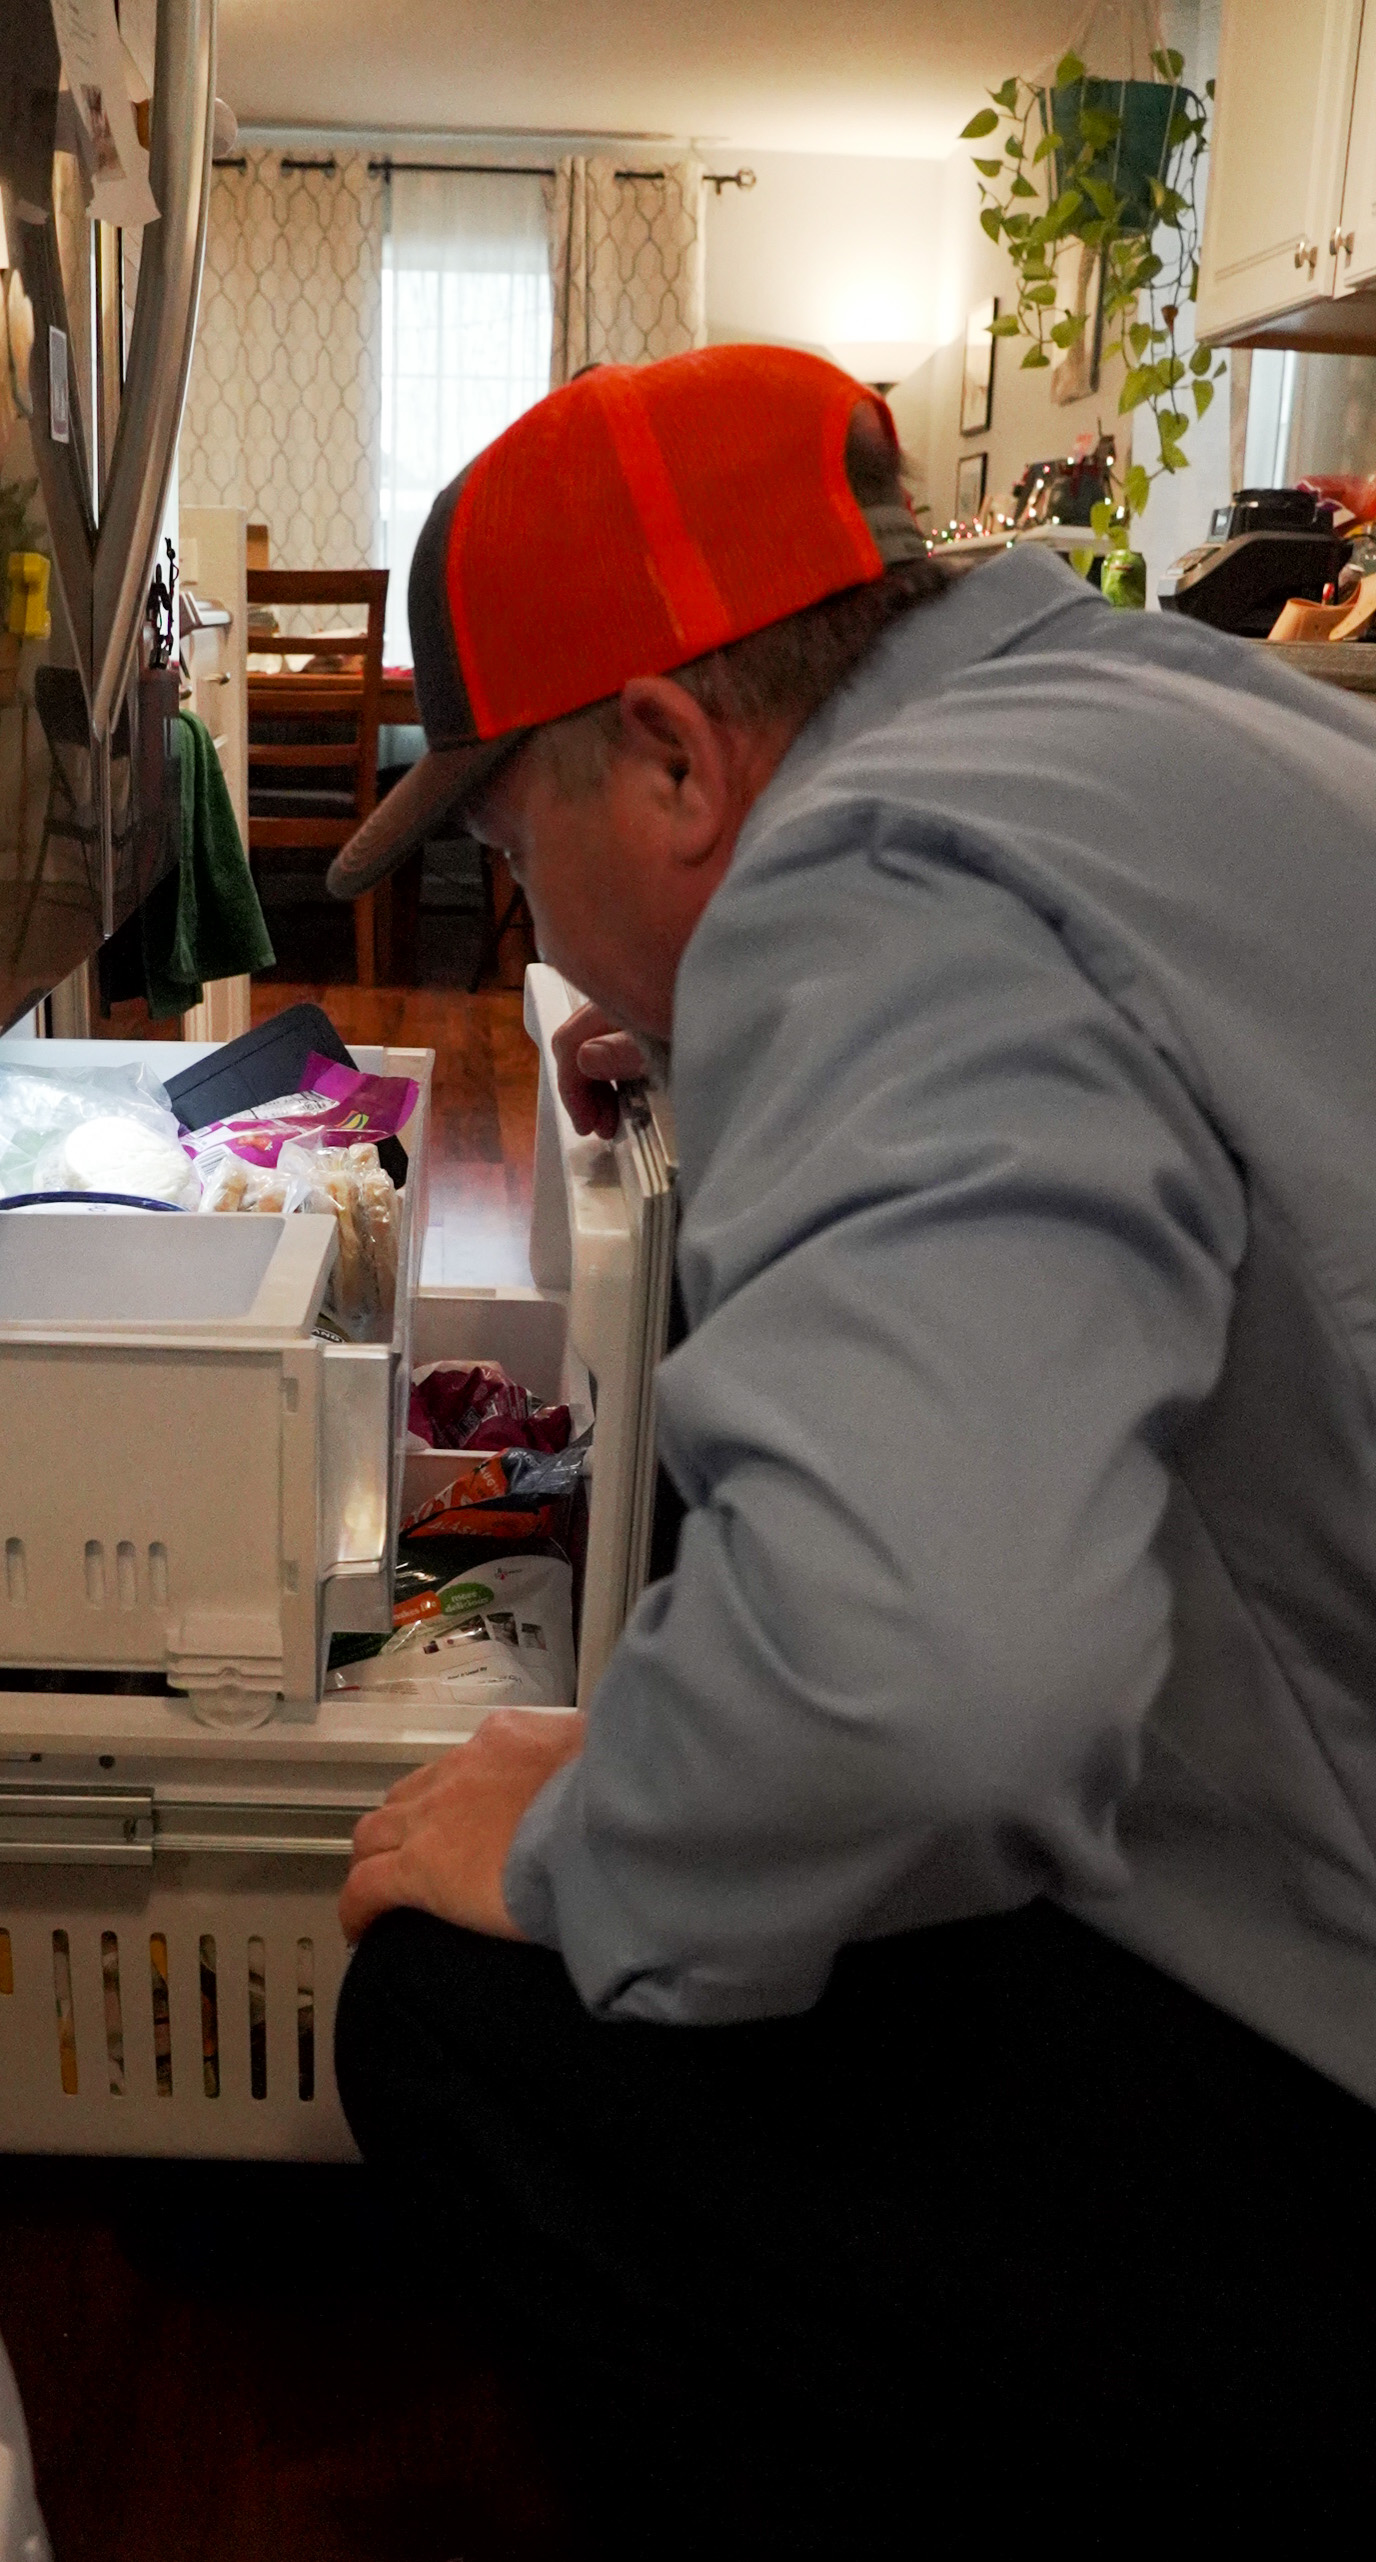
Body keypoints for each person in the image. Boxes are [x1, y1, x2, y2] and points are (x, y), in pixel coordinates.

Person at [326, 346, 1376, 2545]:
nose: (531, 916)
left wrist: (583, 1844)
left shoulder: (866, 878)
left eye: (521, 849)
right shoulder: (1193, 712)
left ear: (667, 755)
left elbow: (922, 1691)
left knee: (456, 2015)